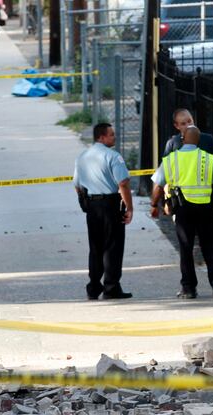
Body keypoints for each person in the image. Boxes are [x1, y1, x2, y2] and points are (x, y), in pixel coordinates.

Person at [150, 126, 213, 299]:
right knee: (211, 247)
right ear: (198, 140)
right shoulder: (208, 159)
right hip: (206, 207)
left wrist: (154, 204)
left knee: (186, 249)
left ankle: (188, 288)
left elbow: (157, 186)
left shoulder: (170, 160)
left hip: (182, 208)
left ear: (183, 138)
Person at [73, 123, 134, 300]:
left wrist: (85, 201)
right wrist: (129, 207)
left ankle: (93, 286)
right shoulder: (113, 156)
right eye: (111, 135)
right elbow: (122, 183)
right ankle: (111, 286)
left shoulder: (82, 157)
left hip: (92, 205)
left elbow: (77, 185)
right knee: (112, 246)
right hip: (110, 204)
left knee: (95, 247)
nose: (114, 137)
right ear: (101, 137)